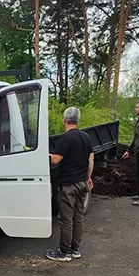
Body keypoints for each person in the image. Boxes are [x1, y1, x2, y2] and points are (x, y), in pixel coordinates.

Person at [46, 107, 94, 262]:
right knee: (78, 217)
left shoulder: (66, 138)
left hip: (68, 185)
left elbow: (55, 160)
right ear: (77, 120)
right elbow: (90, 159)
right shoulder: (85, 137)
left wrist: (46, 155)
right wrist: (88, 177)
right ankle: (75, 250)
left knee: (66, 219)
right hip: (82, 183)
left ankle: (64, 252)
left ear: (64, 120)